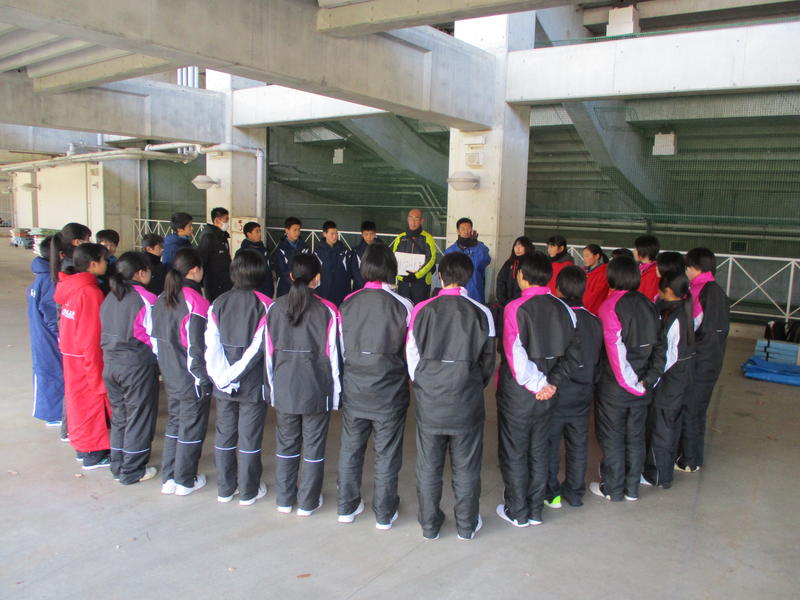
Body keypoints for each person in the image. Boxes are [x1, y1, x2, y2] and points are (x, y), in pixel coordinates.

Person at [406, 253, 496, 540]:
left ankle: (429, 526)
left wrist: (424, 383)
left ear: (440, 276)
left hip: (431, 401)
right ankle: (467, 526)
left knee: (428, 467)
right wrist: (472, 384)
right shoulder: (483, 313)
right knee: (466, 467)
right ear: (468, 277)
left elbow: (412, 355)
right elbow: (488, 362)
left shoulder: (422, 309)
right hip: (467, 400)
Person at [495, 252, 580, 528]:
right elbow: (572, 355)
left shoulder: (515, 308)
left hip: (519, 395)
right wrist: (551, 384)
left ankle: (517, 511)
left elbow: (515, 357)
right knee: (540, 449)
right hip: (549, 395)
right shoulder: (565, 310)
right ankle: (534, 510)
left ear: (522, 275)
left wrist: (539, 384)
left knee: (515, 451)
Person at [336, 245, 413, 529]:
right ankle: (384, 514)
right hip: (389, 392)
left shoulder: (348, 302)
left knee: (350, 449)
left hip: (355, 388)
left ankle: (346, 507)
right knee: (387, 453)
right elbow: (410, 353)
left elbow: (342, 348)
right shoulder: (403, 305)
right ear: (391, 268)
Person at [266, 253, 341, 516]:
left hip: (284, 387)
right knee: (313, 446)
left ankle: (284, 500)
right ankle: (308, 502)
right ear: (317, 278)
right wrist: (336, 395)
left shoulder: (274, 308)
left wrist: (272, 389)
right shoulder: (328, 310)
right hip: (316, 388)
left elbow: (268, 354)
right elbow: (334, 356)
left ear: (289, 277)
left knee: (286, 445)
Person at [590, 255, 665, 502]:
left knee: (612, 436)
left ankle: (613, 488)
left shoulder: (609, 306)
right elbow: (660, 347)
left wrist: (631, 383)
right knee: (635, 435)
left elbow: (616, 352)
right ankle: (632, 488)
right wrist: (648, 380)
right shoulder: (649, 304)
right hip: (643, 384)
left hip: (617, 386)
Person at [205, 249, 272, 505]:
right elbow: (259, 348)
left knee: (224, 435)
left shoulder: (218, 303)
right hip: (252, 384)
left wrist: (223, 377)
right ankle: (248, 491)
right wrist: (235, 375)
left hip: (223, 382)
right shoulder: (265, 304)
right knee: (249, 437)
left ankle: (225, 489)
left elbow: (212, 346)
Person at [152, 248, 212, 496]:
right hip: (190, 377)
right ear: (195, 270)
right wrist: (202, 379)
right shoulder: (195, 301)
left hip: (170, 373)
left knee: (175, 423)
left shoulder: (162, 297)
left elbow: (155, 340)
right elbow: (197, 347)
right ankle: (185, 480)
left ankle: (169, 478)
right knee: (192, 427)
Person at [545, 266, 602, 509]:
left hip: (556, 391)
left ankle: (551, 494)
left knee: (550, 444)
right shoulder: (594, 321)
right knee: (578, 443)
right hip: (583, 393)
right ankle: (575, 492)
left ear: (557, 288)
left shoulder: (555, 319)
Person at [101, 252, 160, 484]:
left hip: (111, 364)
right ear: (140, 273)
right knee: (139, 416)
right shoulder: (146, 299)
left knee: (120, 416)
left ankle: (117, 464)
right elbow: (155, 337)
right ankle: (133, 470)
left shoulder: (110, 296)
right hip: (136, 366)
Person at [53, 243, 111, 469]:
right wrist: (97, 375)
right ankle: (93, 454)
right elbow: (91, 337)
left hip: (72, 355)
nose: (107, 263)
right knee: (90, 405)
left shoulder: (71, 287)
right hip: (86, 358)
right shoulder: (90, 293)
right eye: (104, 260)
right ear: (93, 264)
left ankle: (83, 448)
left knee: (78, 403)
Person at [675, 248, 730, 473]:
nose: (686, 271)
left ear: (695, 267)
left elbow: (691, 324)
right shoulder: (716, 290)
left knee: (690, 408)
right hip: (712, 358)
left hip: (699, 359)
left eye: (687, 267)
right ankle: (693, 457)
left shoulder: (700, 290)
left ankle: (689, 460)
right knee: (697, 409)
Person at [642, 264, 695, 489]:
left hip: (671, 381)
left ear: (669, 291)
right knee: (669, 426)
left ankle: (656, 475)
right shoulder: (683, 309)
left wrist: (652, 378)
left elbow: (670, 355)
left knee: (661, 427)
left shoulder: (675, 317)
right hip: (680, 379)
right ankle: (662, 471)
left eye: (660, 289)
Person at [27, 236, 64, 426]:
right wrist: (62, 337)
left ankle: (52, 413)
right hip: (49, 337)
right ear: (60, 255)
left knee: (46, 372)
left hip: (40, 335)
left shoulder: (41, 276)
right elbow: (51, 315)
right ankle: (54, 415)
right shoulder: (50, 280)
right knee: (53, 373)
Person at [391, 209, 437, 304]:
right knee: (404, 308)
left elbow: (431, 259)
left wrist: (416, 275)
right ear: (407, 219)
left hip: (421, 283)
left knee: (420, 309)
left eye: (416, 219)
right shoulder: (400, 238)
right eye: (411, 218)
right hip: (403, 283)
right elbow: (394, 259)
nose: (413, 221)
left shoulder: (427, 238)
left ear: (422, 221)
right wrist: (401, 277)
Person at [444, 218, 491, 303]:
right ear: (458, 231)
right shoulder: (450, 251)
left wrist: (475, 245)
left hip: (475, 291)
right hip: (456, 291)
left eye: (468, 228)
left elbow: (485, 261)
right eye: (463, 229)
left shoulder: (480, 248)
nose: (466, 231)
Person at [198, 207, 232, 302]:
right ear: (217, 221)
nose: (227, 223)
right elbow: (202, 261)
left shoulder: (222, 237)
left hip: (225, 282)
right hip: (214, 284)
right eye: (226, 220)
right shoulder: (208, 237)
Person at [314, 220, 352, 305]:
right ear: (325, 234)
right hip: (324, 294)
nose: (335, 236)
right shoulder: (318, 253)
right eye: (332, 234)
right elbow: (315, 275)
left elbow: (348, 273)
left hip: (341, 293)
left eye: (336, 233)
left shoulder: (344, 251)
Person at [274, 217, 310, 297]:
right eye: (295, 230)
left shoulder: (304, 247)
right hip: (285, 288)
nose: (297, 232)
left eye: (299, 230)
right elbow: (281, 271)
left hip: (302, 287)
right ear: (287, 230)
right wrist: (295, 281)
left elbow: (308, 266)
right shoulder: (281, 249)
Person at [236, 221, 274, 298]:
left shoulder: (263, 249)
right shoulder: (243, 253)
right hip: (252, 293)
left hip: (267, 290)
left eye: (260, 231)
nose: (260, 234)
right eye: (257, 231)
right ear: (248, 234)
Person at [495, 236, 534, 307]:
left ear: (527, 247)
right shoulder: (509, 263)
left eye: (521, 246)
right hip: (505, 303)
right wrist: (503, 300)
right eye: (516, 245)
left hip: (523, 304)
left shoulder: (530, 264)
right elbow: (501, 280)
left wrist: (515, 302)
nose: (517, 248)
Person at [349, 220, 381, 291]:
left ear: (375, 234)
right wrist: (364, 286)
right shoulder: (356, 250)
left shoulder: (381, 249)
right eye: (366, 234)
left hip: (377, 288)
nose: (369, 237)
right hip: (360, 288)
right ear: (362, 235)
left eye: (371, 234)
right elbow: (354, 271)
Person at [582, 244, 609, 315]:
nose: (584, 258)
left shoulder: (604, 273)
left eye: (587, 255)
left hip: (595, 312)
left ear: (597, 256)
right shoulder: (582, 271)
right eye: (583, 256)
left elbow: (597, 296)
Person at [634, 234, 660, 302]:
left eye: (636, 248)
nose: (634, 251)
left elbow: (649, 298)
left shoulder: (653, 272)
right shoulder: (641, 268)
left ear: (642, 250)